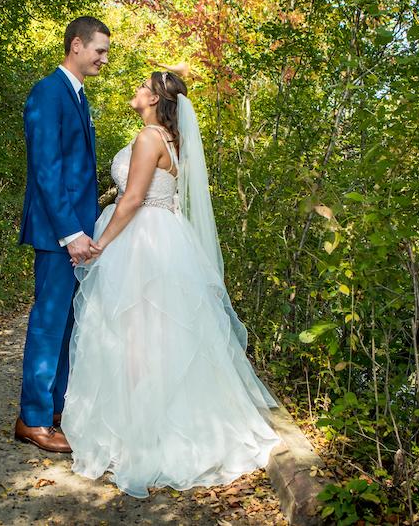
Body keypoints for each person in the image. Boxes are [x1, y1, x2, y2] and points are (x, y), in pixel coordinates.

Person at [61, 70, 281, 497]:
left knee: (135, 336)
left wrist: (101, 243)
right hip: (164, 236)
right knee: (157, 335)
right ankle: (150, 423)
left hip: (142, 241)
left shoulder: (148, 139)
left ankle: (140, 434)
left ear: (157, 99)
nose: (137, 89)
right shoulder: (169, 140)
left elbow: (134, 198)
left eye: (144, 86)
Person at [16, 16, 110, 453]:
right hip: (59, 232)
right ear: (76, 45)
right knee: (49, 321)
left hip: (77, 230)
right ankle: (32, 419)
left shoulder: (78, 97)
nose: (103, 59)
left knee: (69, 321)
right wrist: (70, 232)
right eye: (100, 51)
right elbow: (47, 170)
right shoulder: (47, 93)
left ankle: (55, 410)